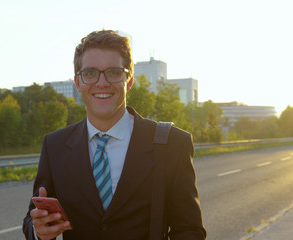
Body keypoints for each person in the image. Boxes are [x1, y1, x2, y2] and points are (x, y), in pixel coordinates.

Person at [23, 30, 206, 240]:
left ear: (128, 81)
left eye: (113, 72)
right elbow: (32, 219)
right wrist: (38, 231)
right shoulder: (55, 146)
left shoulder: (173, 143)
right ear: (78, 83)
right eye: (90, 73)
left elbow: (190, 231)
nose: (102, 83)